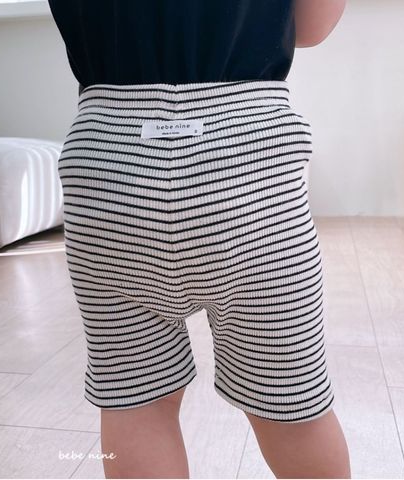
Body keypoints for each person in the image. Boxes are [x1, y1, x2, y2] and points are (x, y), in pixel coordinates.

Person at [47, 1, 351, 478]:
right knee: (290, 404)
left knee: (135, 398)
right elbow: (312, 26)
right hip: (246, 160)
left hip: (109, 163)